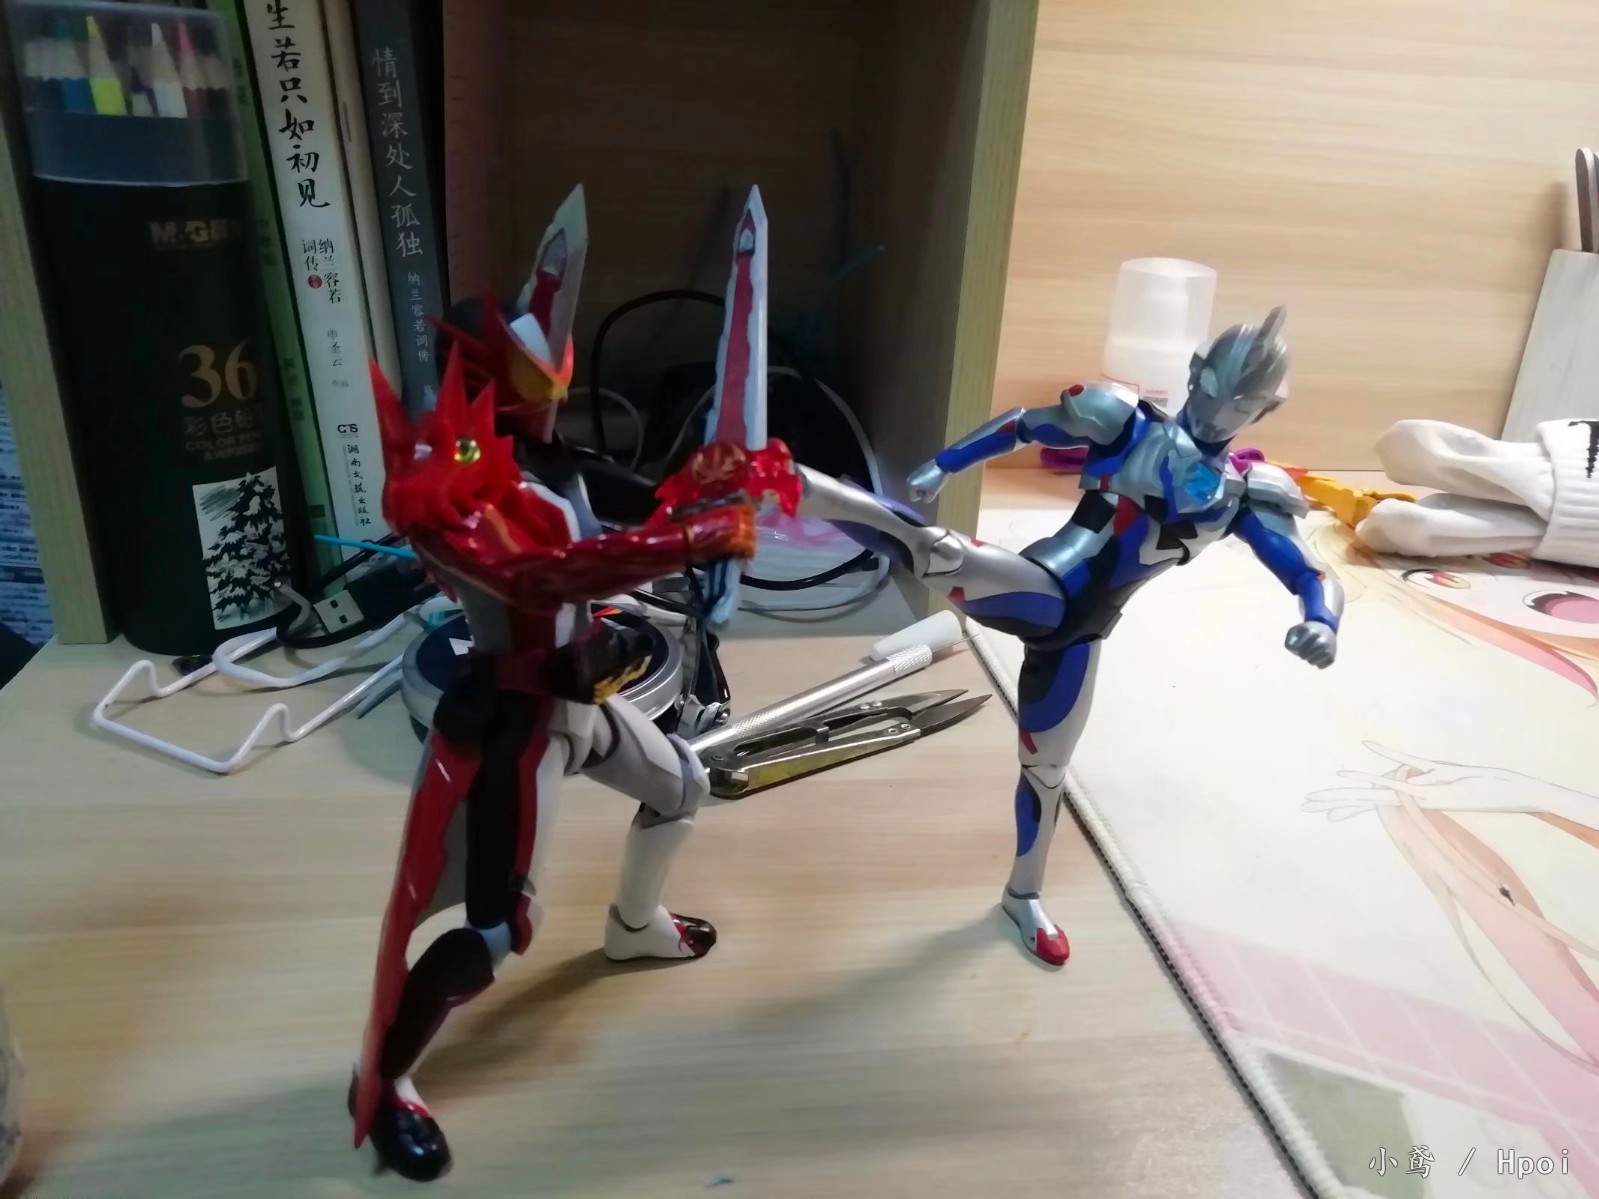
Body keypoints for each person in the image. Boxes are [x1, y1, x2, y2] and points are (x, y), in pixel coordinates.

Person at [797, 309, 1340, 965]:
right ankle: (799, 486)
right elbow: (1023, 425)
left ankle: (1022, 896)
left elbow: (1309, 571)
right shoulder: (1124, 421)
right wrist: (945, 464)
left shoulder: (1246, 494)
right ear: (1195, 371)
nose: (1220, 410)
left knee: (1046, 774)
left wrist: (1321, 619)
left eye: (1242, 403)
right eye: (1213, 387)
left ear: (1265, 409)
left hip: (1083, 633)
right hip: (1042, 586)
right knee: (940, 553)